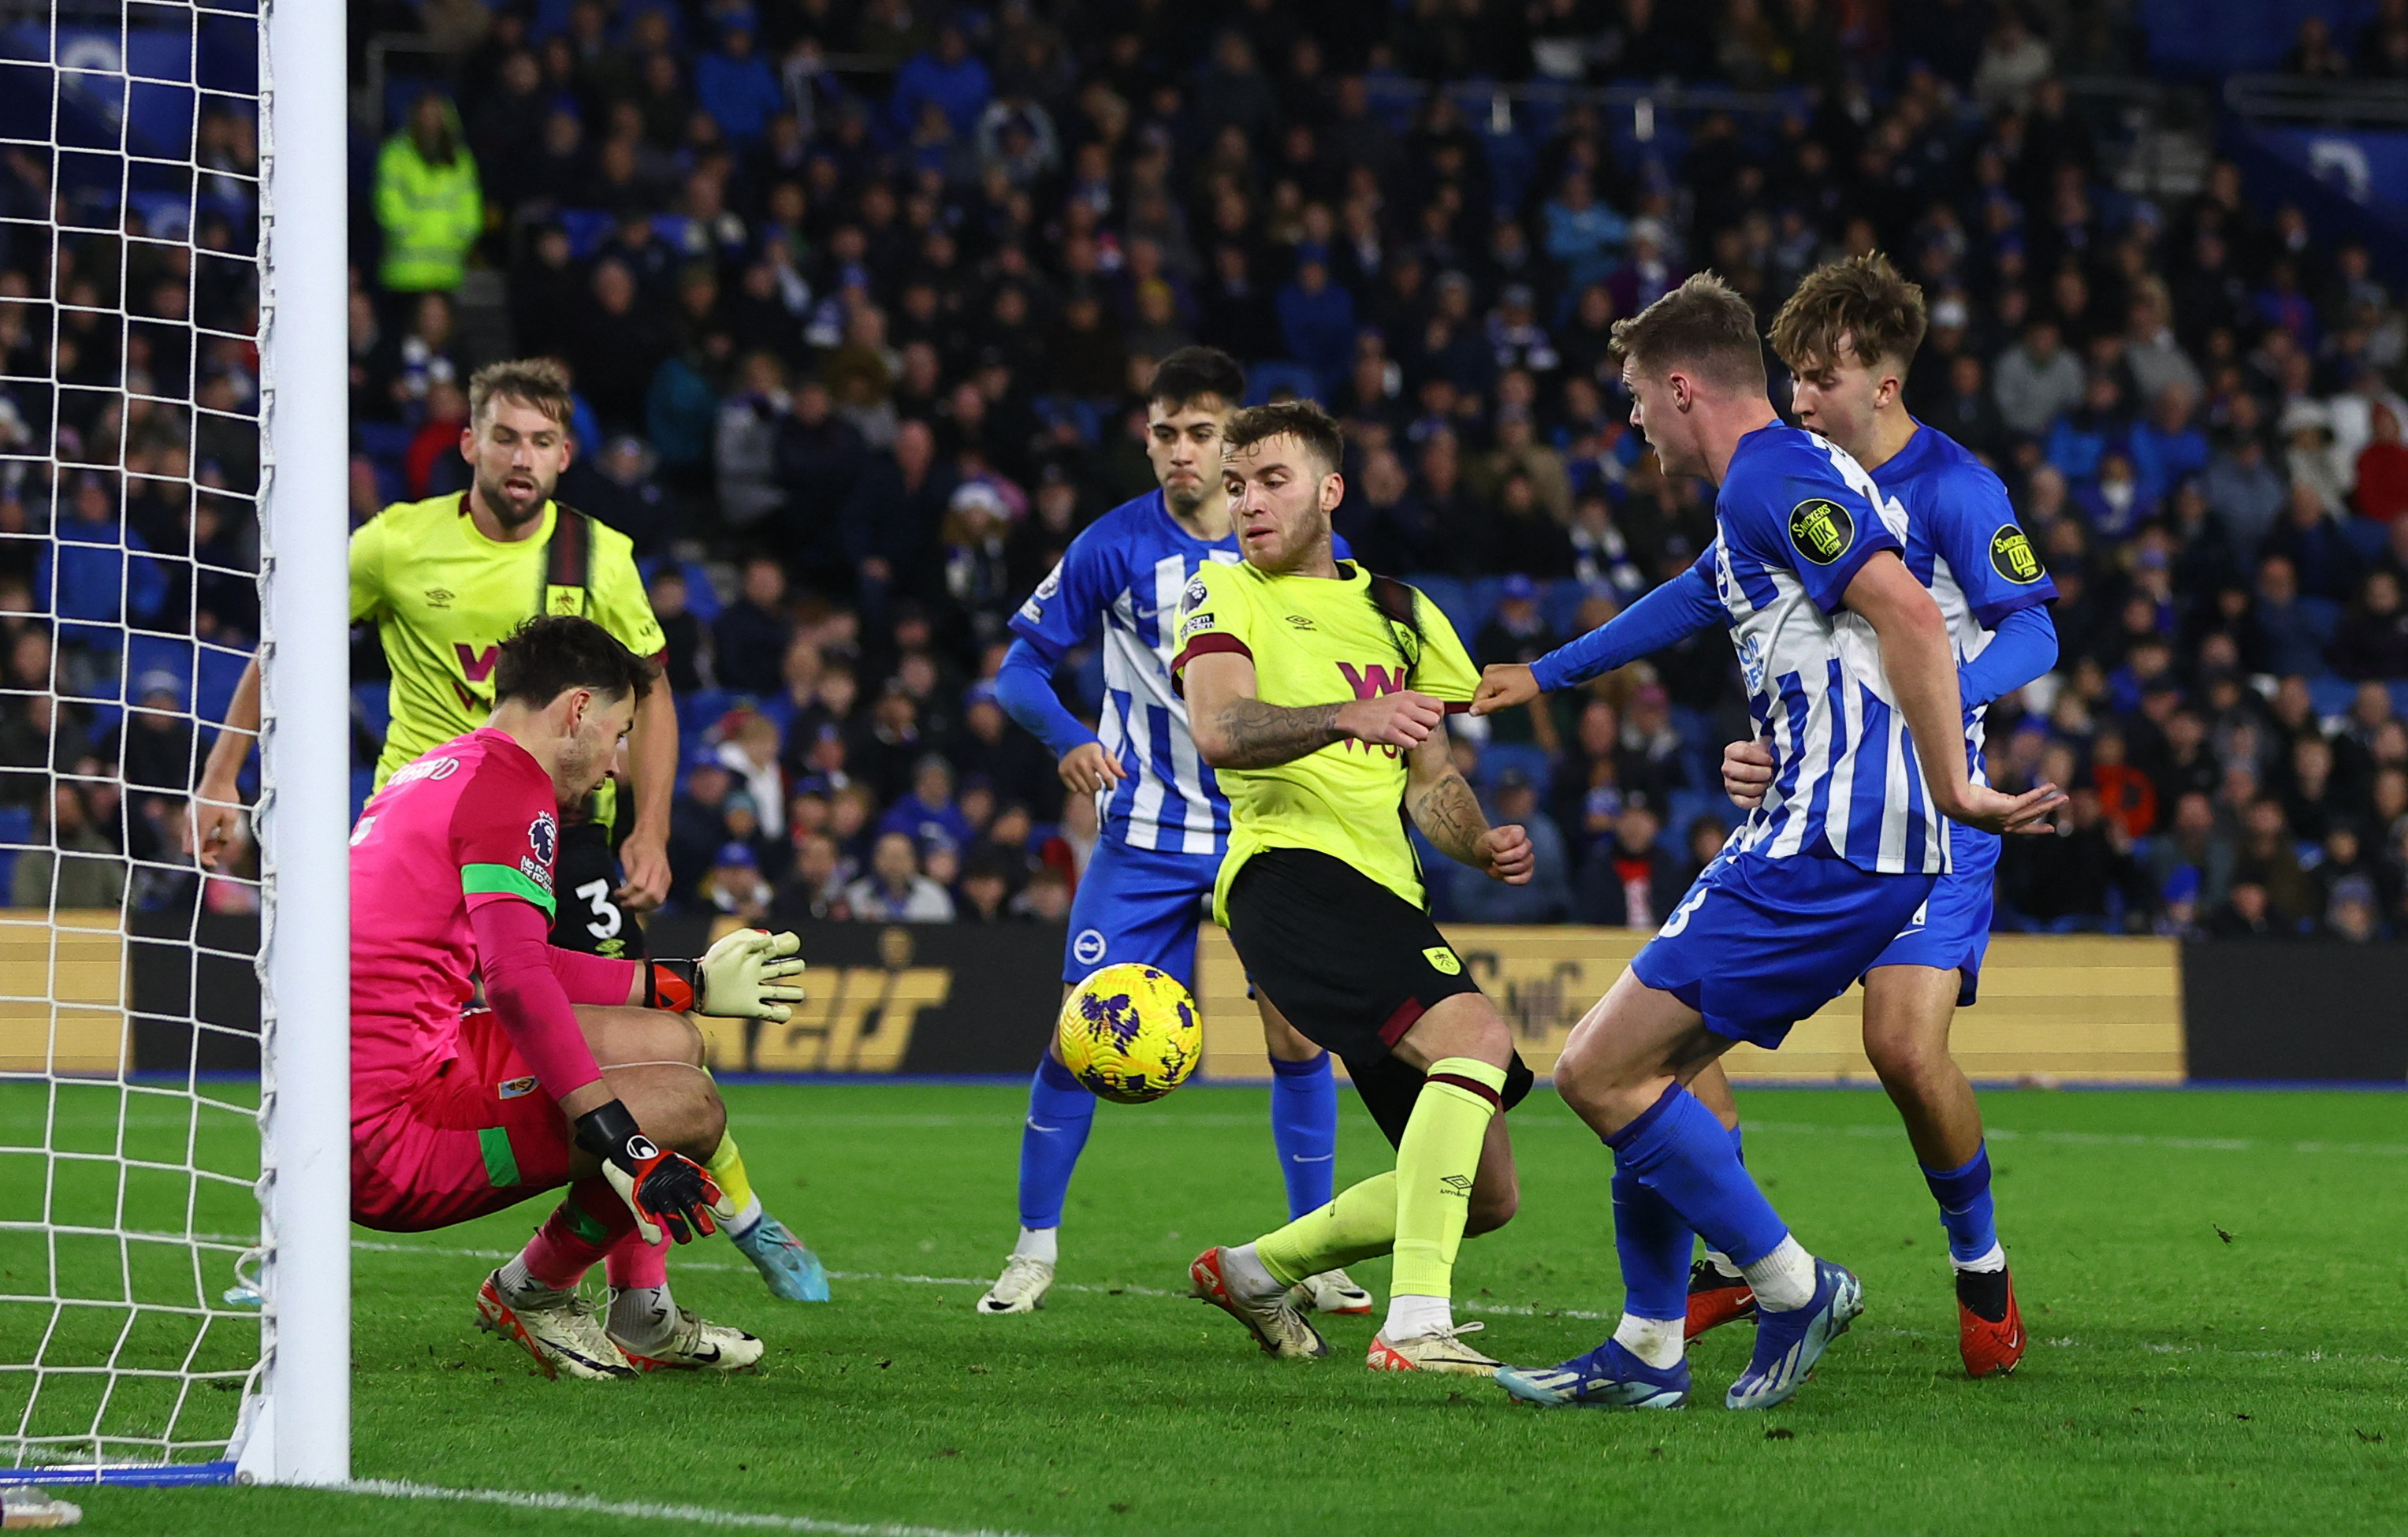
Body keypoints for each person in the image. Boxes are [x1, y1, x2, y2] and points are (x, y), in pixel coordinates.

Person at [1471, 274, 2058, 1412]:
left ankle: (1793, 1282)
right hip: (1837, 814)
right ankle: (1647, 1348)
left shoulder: (1786, 473)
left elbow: (1900, 608)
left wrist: (1951, 778)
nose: (1630, 418)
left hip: (1842, 830)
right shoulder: (1783, 478)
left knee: (1596, 1069)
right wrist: (1541, 673)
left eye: (1636, 395)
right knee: (1659, 1069)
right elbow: (1700, 600)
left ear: (1679, 385)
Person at [190, 359, 827, 1304]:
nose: (521, 458)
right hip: (436, 818)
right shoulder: (395, 545)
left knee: (663, 1039)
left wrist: (648, 825)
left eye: (539, 442)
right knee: (520, 1040)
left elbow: (648, 697)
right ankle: (320, 1247)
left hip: (567, 839)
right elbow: (289, 639)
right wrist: (220, 772)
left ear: (566, 457)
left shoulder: (597, 557)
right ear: (469, 443)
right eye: (504, 437)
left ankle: (643, 1294)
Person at [977, 348, 1364, 1319]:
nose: (1179, 452)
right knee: (1077, 1038)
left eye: (1200, 434)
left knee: (1296, 1034)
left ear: (1237, 442)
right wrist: (1067, 737)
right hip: (1144, 835)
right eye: (1164, 433)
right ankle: (1032, 1248)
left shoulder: (1287, 543)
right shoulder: (1113, 546)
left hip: (1264, 826)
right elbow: (1019, 670)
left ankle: (1312, 1252)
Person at [1178, 399, 1539, 1375]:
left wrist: (1481, 843)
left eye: (1272, 481)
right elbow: (1219, 730)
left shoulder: (1403, 611)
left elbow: (1433, 782)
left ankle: (1253, 1270)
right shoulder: (1222, 595)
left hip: (1388, 894)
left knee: (1490, 1191)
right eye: (1237, 486)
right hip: (1286, 875)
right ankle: (1416, 1322)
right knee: (1476, 1036)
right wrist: (1348, 714)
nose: (1248, 503)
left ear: (1331, 490)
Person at [348, 617, 800, 1377]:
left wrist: (685, 983)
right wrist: (622, 1142)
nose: (618, 764)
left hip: (391, 1069)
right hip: (390, 1140)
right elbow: (518, 985)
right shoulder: (511, 792)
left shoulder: (443, 768)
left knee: (673, 1039)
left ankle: (640, 1313)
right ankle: (535, 1289)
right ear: (577, 710)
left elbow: (514, 963)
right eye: (621, 734)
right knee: (687, 1106)